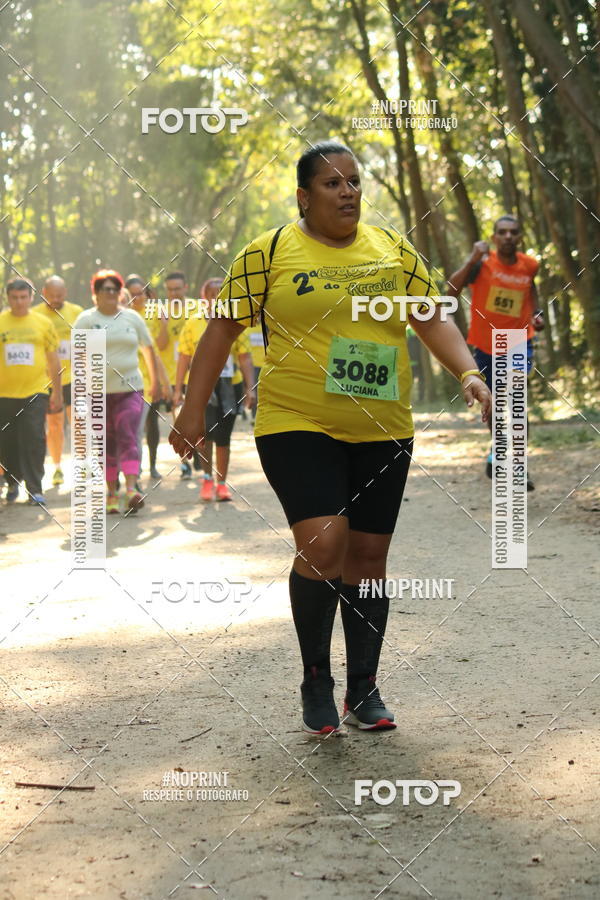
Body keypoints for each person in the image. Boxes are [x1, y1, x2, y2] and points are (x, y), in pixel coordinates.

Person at [170, 141, 490, 735]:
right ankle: (316, 677)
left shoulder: (392, 248)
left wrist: (468, 372)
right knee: (324, 545)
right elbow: (220, 329)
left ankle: (363, 689)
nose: (348, 192)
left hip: (382, 425)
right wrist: (192, 412)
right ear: (303, 195)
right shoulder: (267, 254)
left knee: (368, 559)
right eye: (332, 183)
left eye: (354, 181)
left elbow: (430, 316)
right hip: (297, 421)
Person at [447, 215, 543, 490]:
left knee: (516, 399)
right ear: (494, 237)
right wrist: (472, 257)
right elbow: (451, 291)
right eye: (503, 232)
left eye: (514, 232)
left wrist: (536, 312)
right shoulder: (481, 265)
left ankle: (520, 465)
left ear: (520, 237)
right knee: (493, 404)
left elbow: (530, 288)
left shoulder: (530, 265)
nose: (508, 236)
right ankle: (497, 451)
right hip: (485, 344)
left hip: (518, 340)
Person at [74, 270, 159, 514]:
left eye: (114, 289)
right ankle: (111, 494)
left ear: (120, 293)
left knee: (127, 431)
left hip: (130, 388)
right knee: (105, 443)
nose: (110, 293)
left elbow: (148, 350)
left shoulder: (132, 318)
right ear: (96, 294)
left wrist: (155, 382)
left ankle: (131, 489)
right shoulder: (86, 320)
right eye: (105, 289)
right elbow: (78, 359)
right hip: (97, 393)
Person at [173, 278, 255, 501]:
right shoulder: (194, 322)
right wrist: (178, 389)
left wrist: (251, 388)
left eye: (222, 293)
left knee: (224, 436)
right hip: (202, 386)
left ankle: (222, 483)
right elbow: (184, 357)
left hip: (230, 385)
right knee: (205, 433)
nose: (217, 297)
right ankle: (207, 479)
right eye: (213, 294)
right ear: (205, 297)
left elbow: (245, 358)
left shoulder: (237, 320)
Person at [0, 278, 62, 505]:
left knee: (34, 438)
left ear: (31, 297)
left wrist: (57, 393)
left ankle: (35, 489)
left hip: (36, 391)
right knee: (7, 442)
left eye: (23, 297)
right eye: (14, 298)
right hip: (4, 395)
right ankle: (12, 480)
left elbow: (54, 361)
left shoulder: (43, 323)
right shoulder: (1, 322)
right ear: (8, 298)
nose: (19, 302)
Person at [146, 271, 200, 479]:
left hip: (195, 372)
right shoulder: (159, 311)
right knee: (177, 416)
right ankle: (185, 461)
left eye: (177, 289)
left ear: (185, 288)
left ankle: (197, 454)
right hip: (171, 375)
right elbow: (159, 345)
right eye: (169, 290)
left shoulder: (198, 308)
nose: (173, 293)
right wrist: (164, 324)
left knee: (196, 417)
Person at [34, 276, 84, 487]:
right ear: (44, 293)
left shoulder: (77, 312)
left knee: (79, 421)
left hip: (74, 376)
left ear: (66, 293)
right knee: (54, 425)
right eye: (51, 295)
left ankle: (82, 465)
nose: (55, 299)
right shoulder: (35, 315)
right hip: (48, 379)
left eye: (60, 295)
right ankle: (57, 467)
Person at [125, 275, 172, 480]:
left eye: (140, 293)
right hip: (127, 379)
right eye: (132, 294)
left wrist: (163, 325)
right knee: (131, 428)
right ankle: (132, 467)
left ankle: (151, 465)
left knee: (151, 424)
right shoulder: (122, 316)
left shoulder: (154, 314)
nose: (136, 298)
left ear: (147, 294)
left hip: (151, 378)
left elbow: (160, 346)